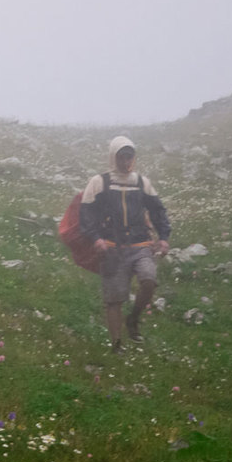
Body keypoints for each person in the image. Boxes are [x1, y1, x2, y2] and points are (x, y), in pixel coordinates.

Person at [78, 136, 172, 354]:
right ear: (113, 157)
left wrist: (164, 237)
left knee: (149, 281)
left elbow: (159, 211)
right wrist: (96, 239)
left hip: (141, 244)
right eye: (122, 156)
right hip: (112, 247)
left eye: (129, 156)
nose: (126, 160)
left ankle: (133, 319)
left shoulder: (142, 182)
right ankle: (116, 344)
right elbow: (86, 214)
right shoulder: (99, 182)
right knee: (115, 298)